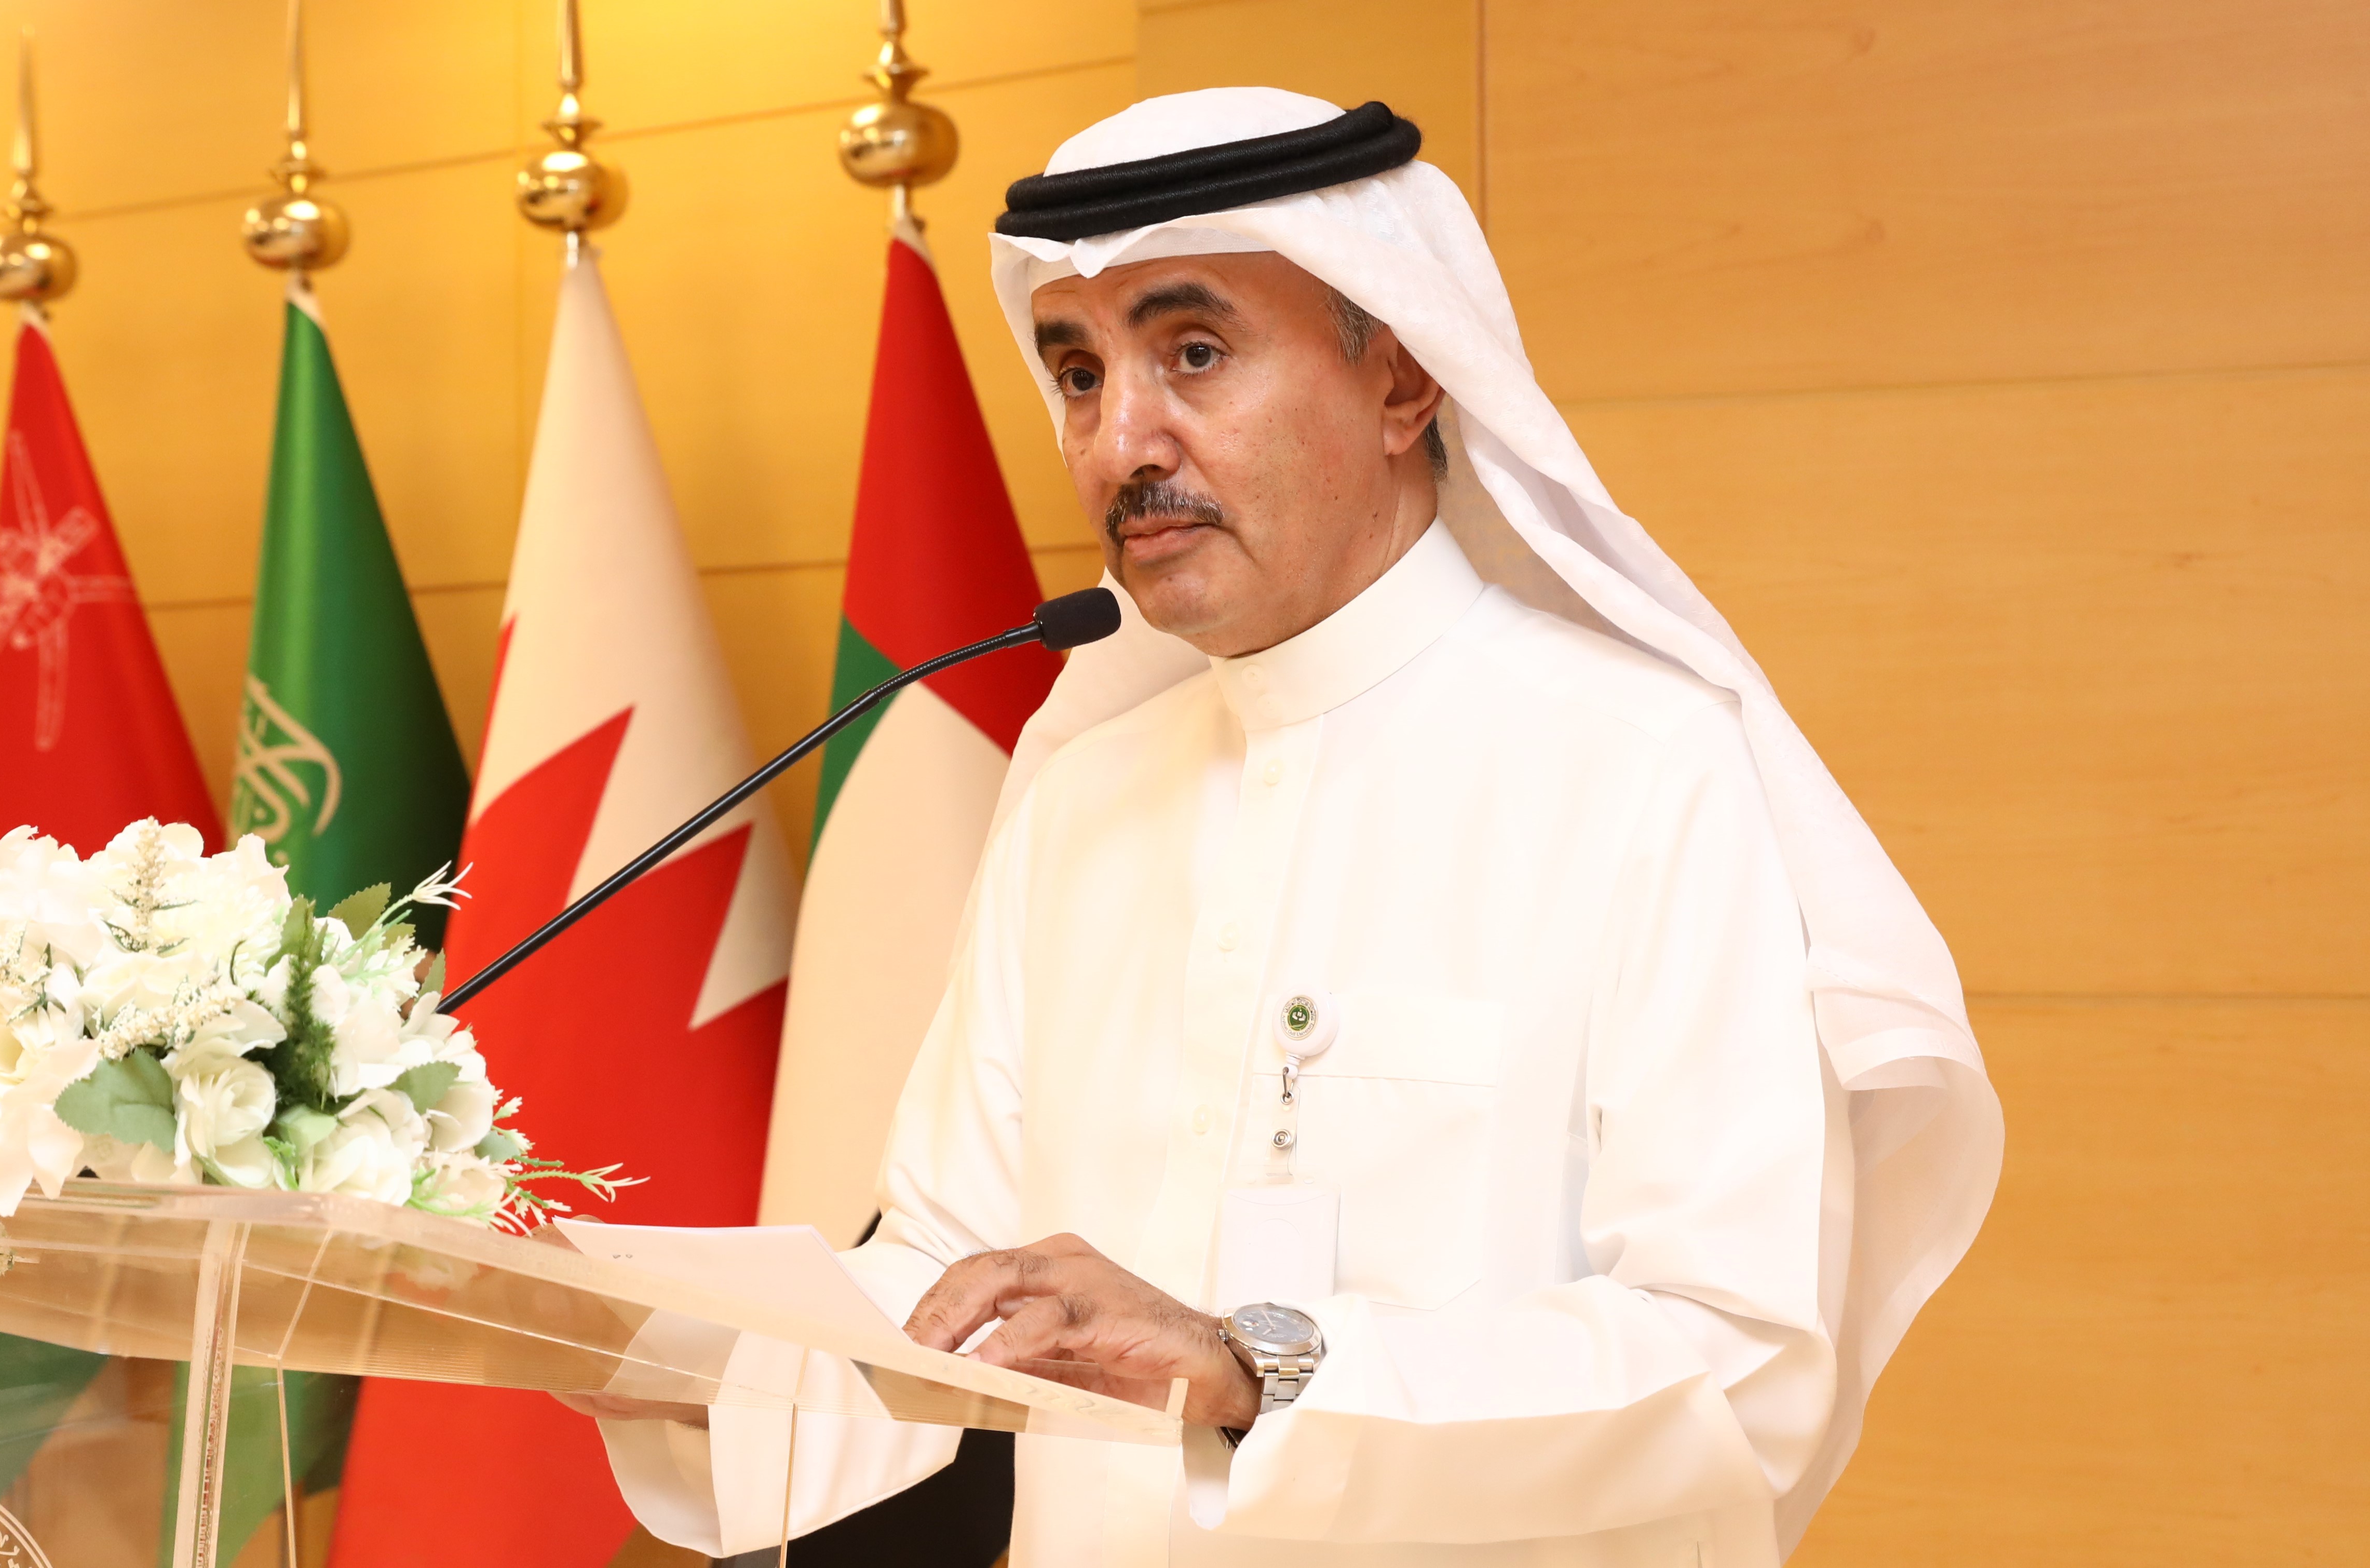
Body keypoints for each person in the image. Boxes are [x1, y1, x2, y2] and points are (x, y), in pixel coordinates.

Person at [569, 88, 2001, 1566]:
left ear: (1404, 383)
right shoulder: (1080, 798)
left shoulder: (1646, 772)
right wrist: (620, 1333)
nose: (1121, 440)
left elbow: (1741, 1367)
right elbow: (947, 1289)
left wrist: (1260, 1370)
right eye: (1078, 373)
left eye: (1195, 352)